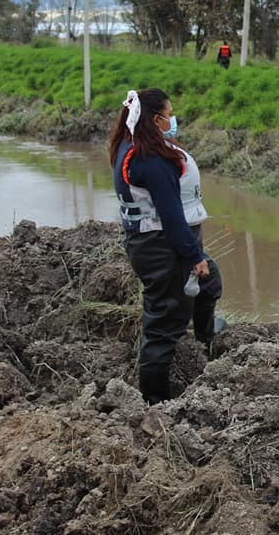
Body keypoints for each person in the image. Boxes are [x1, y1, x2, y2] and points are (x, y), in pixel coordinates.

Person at [109, 88, 223, 404]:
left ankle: (204, 342)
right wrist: (193, 255)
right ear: (155, 120)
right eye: (169, 115)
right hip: (163, 246)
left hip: (157, 242)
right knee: (162, 324)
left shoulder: (131, 146)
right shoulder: (150, 160)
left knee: (210, 282)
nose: (173, 120)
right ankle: (154, 403)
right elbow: (172, 215)